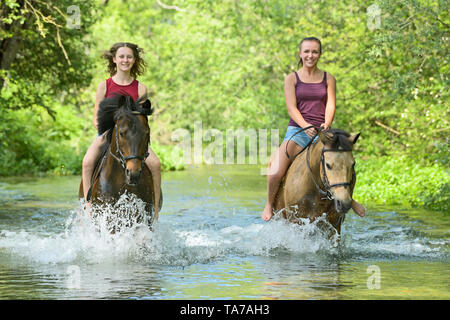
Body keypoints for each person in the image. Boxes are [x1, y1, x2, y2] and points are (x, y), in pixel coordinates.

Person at [261, 37, 365, 221]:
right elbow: (291, 108)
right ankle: (269, 205)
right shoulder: (291, 78)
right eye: (307, 51)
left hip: (323, 134)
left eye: (315, 52)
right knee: (275, 170)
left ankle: (349, 199)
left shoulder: (328, 78)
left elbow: (331, 105)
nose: (311, 55)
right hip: (298, 132)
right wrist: (305, 125)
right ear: (300, 54)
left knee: (344, 163)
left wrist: (327, 123)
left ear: (320, 54)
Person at [82, 42, 162, 218]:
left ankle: (155, 208)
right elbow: (96, 117)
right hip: (108, 134)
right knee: (87, 162)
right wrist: (108, 132)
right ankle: (87, 204)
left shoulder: (140, 88)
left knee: (155, 164)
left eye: (129, 57)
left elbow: (141, 118)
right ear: (114, 59)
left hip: (132, 138)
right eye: (121, 56)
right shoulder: (104, 85)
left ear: (134, 60)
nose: (125, 60)